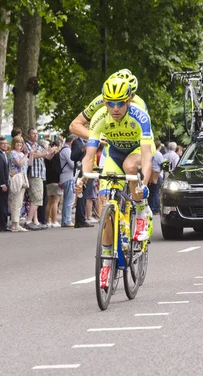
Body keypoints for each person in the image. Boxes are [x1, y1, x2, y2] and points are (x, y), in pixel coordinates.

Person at [76, 76, 154, 287]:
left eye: (120, 103)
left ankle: (140, 211)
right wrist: (83, 177)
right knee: (104, 203)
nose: (115, 108)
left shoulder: (140, 116)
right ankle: (107, 263)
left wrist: (144, 183)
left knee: (130, 167)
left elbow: (147, 156)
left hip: (137, 151)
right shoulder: (100, 117)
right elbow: (90, 154)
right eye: (110, 103)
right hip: (114, 155)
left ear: (129, 100)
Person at [69, 69, 147, 139]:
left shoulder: (139, 104)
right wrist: (96, 137)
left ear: (132, 95)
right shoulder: (100, 100)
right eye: (111, 102)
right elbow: (74, 125)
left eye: (123, 100)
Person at [24, 128, 51, 231]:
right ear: (28, 135)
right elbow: (33, 155)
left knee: (35, 199)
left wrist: (51, 152)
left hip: (40, 174)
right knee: (37, 198)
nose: (35, 135)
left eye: (36, 134)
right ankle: (28, 221)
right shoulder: (27, 145)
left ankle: (35, 221)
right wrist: (45, 153)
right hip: (34, 174)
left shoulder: (38, 145)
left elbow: (47, 156)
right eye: (33, 134)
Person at [8, 136, 29, 232]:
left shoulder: (21, 153)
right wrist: (26, 155)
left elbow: (29, 163)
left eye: (21, 143)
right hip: (16, 177)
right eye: (17, 143)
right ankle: (14, 224)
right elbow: (19, 163)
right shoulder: (12, 153)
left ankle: (16, 223)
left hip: (22, 177)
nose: (19, 145)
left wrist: (29, 154)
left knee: (20, 202)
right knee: (16, 201)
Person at [44, 140, 62, 228]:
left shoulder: (47, 157)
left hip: (48, 179)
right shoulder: (57, 156)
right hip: (56, 180)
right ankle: (54, 221)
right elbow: (58, 168)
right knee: (56, 200)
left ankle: (48, 221)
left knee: (50, 201)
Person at [59, 135, 76, 227]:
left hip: (65, 176)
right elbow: (72, 164)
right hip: (68, 176)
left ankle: (65, 219)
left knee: (67, 199)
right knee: (69, 200)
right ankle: (67, 220)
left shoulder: (63, 149)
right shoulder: (67, 150)